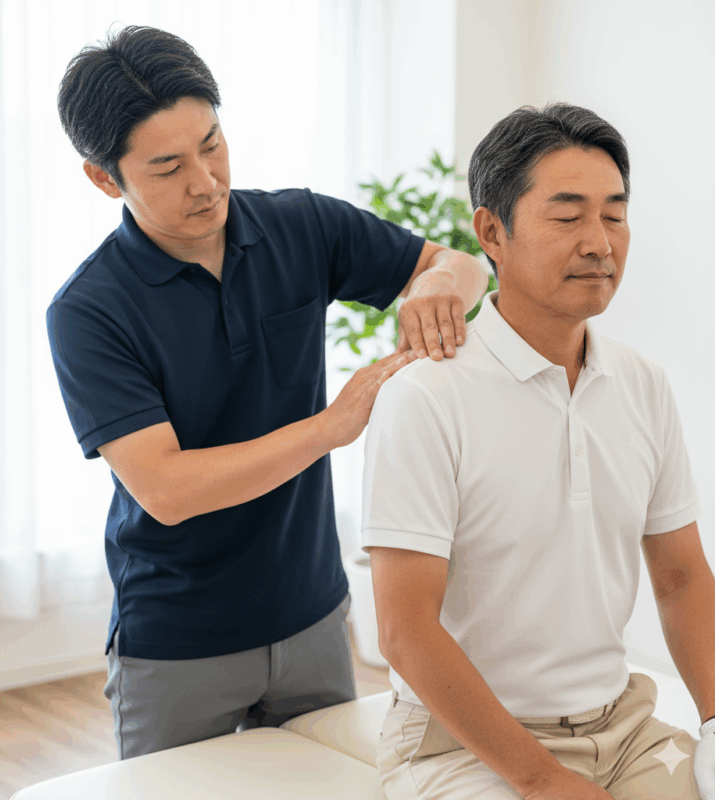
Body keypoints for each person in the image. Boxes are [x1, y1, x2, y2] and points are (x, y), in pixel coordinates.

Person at [46, 25, 488, 760]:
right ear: (104, 178)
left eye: (212, 145)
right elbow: (167, 489)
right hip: (177, 642)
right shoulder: (89, 310)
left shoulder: (299, 225)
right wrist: (332, 426)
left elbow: (461, 266)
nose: (205, 181)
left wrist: (437, 285)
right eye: (168, 167)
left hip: (313, 615)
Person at [362, 102, 715, 800]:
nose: (600, 243)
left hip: (621, 728)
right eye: (568, 217)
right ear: (492, 232)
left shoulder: (642, 383)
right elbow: (405, 631)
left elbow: (681, 579)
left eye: (615, 215)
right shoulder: (425, 397)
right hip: (460, 745)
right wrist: (543, 778)